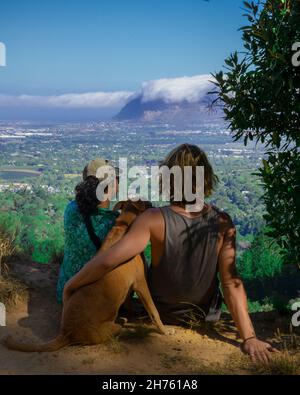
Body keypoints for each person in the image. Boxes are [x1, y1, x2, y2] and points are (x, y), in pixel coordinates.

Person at [62, 144, 279, 363]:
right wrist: (249, 337)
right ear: (205, 179)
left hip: (161, 313)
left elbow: (108, 261)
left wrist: (72, 284)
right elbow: (231, 283)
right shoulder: (223, 221)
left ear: (168, 180)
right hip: (204, 314)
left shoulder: (152, 219)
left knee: (131, 261)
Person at [56, 158, 119, 303]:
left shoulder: (71, 209)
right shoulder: (113, 223)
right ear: (111, 185)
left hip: (65, 292)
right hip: (94, 300)